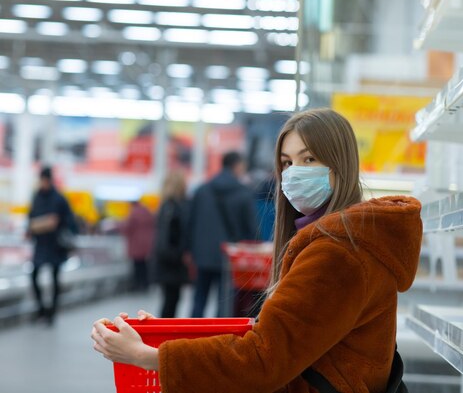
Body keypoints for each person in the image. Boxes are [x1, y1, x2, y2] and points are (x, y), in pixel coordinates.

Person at [92, 108, 423, 392]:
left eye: (309, 159)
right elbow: (284, 338)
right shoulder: (346, 241)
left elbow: (265, 358)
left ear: (340, 165)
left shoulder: (337, 255)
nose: (294, 173)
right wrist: (168, 339)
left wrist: (147, 357)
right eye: (287, 162)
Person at [187, 151, 257, 318]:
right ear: (237, 166)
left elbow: (190, 222)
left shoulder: (202, 191)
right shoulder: (243, 193)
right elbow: (252, 228)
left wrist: (190, 249)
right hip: (230, 256)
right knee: (224, 302)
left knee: (199, 300)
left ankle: (191, 337)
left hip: (202, 254)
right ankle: (218, 337)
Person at [27, 166, 77, 325]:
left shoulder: (59, 199)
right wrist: (30, 229)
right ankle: (41, 309)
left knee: (55, 278)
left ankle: (52, 313)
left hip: (56, 245)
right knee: (34, 275)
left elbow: (71, 222)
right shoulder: (37, 197)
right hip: (41, 244)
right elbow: (31, 216)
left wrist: (58, 222)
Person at [152, 170, 188, 318]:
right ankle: (164, 335)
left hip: (165, 260)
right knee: (171, 300)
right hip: (172, 261)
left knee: (169, 299)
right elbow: (172, 236)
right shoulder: (175, 207)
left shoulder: (165, 206)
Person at [119, 199, 155, 292]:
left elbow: (128, 228)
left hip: (136, 243)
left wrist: (119, 227)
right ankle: (146, 284)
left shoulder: (133, 213)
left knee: (137, 265)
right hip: (147, 243)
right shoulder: (147, 211)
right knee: (145, 265)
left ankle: (138, 284)